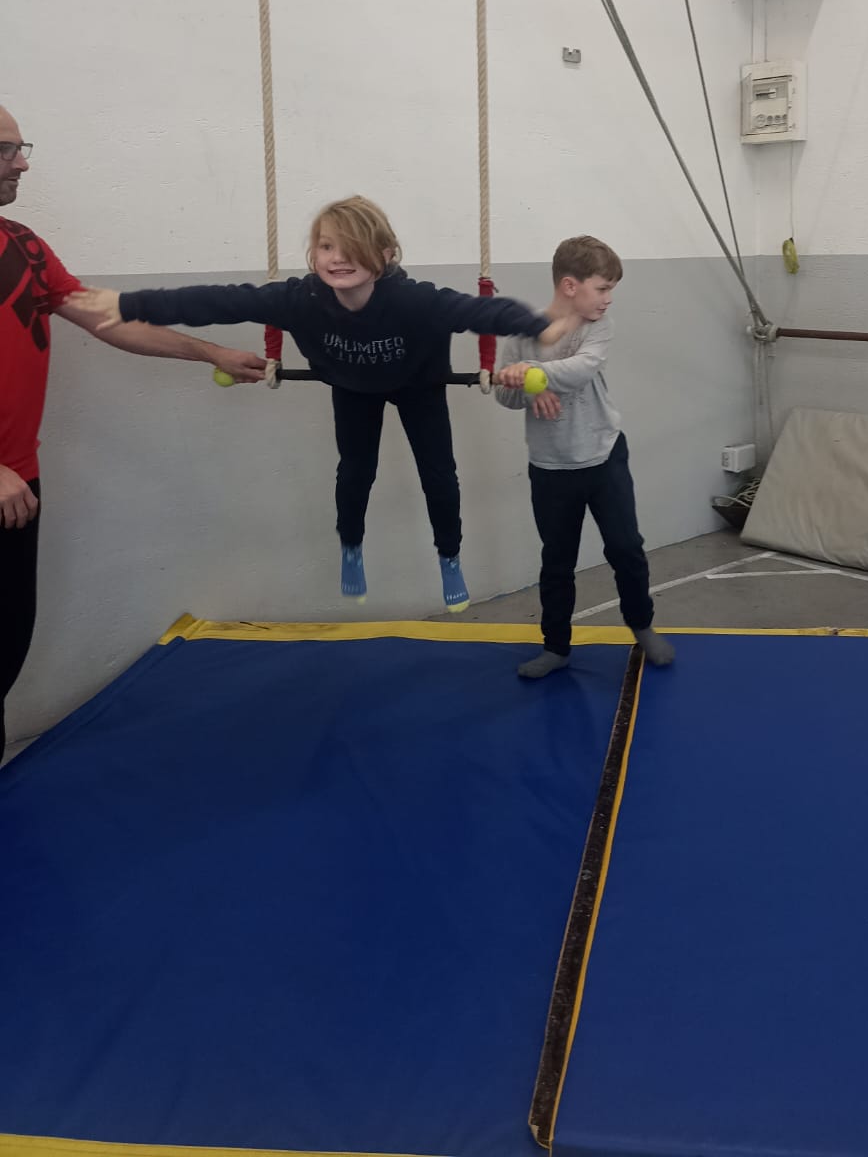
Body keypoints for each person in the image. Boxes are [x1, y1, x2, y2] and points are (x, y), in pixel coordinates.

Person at [71, 195, 577, 611]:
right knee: (356, 471)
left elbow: (475, 311)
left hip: (418, 383)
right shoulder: (299, 299)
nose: (337, 257)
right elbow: (217, 300)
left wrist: (537, 325)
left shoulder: (413, 300)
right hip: (352, 385)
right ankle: (351, 545)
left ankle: (450, 556)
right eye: (326, 246)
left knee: (438, 474)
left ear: (385, 256)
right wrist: (128, 303)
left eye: (352, 248)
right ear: (314, 254)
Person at [0, 105, 265, 750]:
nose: (23, 163)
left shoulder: (24, 247)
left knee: (6, 646)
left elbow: (106, 319)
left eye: (22, 148)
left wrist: (210, 352)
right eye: (7, 150)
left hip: (18, 487)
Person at [493, 234, 674, 679]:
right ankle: (556, 647)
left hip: (602, 455)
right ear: (570, 286)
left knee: (626, 548)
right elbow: (504, 395)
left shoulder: (597, 327)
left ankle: (641, 624)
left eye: (611, 289)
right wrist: (526, 387)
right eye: (603, 288)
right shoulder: (522, 331)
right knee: (557, 561)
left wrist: (534, 374)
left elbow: (581, 369)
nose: (609, 299)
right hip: (550, 467)